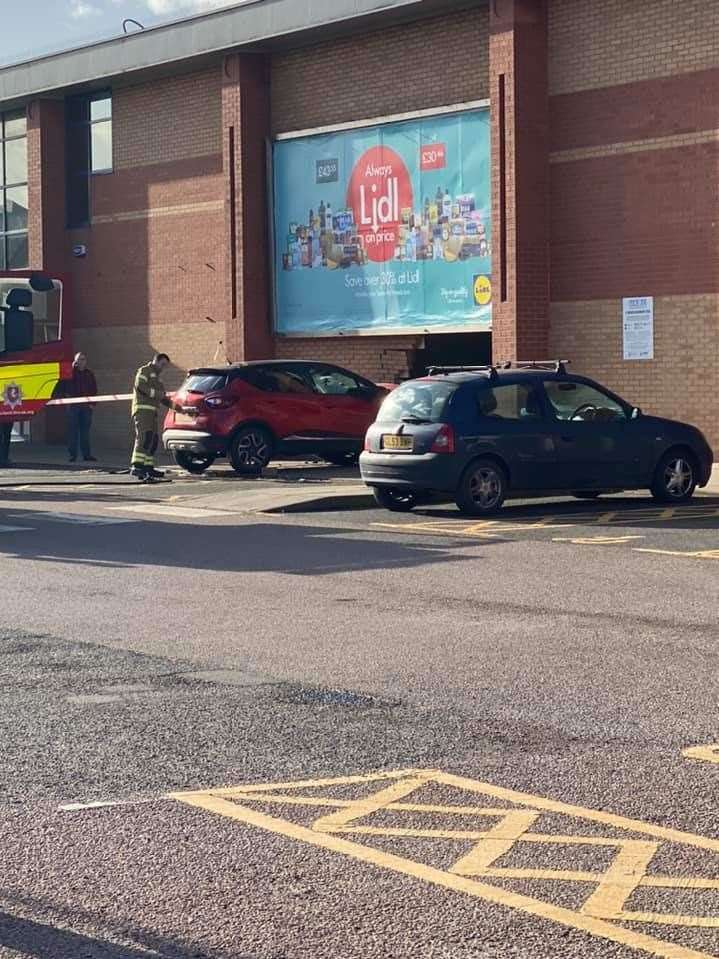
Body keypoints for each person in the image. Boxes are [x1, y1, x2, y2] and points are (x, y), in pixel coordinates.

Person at [130, 353, 178, 482]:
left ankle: (147, 466)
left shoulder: (158, 379)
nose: (163, 368)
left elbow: (163, 398)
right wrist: (157, 394)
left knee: (153, 440)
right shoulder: (144, 371)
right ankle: (137, 466)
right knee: (144, 437)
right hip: (142, 410)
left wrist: (179, 408)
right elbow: (141, 387)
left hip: (152, 412)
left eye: (165, 366)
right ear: (155, 361)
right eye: (162, 364)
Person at [67, 352, 98, 463]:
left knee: (85, 432)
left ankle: (87, 455)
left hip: (86, 407)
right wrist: (71, 368)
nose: (82, 361)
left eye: (83, 359)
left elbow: (94, 389)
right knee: (73, 432)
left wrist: (92, 404)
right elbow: (66, 388)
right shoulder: (70, 374)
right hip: (74, 407)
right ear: (75, 361)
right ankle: (73, 455)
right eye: (79, 359)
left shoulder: (89, 374)